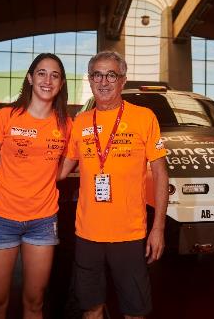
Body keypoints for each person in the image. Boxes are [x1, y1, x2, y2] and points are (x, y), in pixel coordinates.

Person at [58, 50, 169, 319]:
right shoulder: (80, 122)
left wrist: (158, 229)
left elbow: (161, 174)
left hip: (129, 234)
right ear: (90, 79)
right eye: (97, 74)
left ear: (123, 81)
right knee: (91, 308)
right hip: (87, 234)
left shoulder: (144, 118)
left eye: (111, 75)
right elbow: (59, 171)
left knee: (134, 311)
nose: (104, 81)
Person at [0, 53, 71, 319]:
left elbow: (60, 170)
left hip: (42, 221)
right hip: (1, 219)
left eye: (55, 75)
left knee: (35, 301)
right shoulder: (6, 117)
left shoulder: (66, 125)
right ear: (30, 78)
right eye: (41, 73)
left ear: (61, 84)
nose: (47, 80)